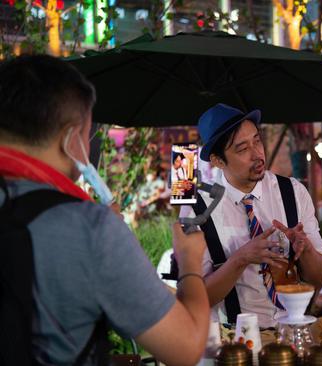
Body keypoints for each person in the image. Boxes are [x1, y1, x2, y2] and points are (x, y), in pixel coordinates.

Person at [0, 55, 210, 365]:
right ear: (72, 139)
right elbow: (187, 347)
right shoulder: (89, 229)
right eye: (88, 133)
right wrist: (189, 260)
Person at [181, 103, 322, 330]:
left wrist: (305, 249)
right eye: (242, 149)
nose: (258, 154)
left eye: (257, 141)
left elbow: (319, 278)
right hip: (233, 342)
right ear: (218, 161)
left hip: (292, 333)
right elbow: (195, 298)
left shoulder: (293, 192)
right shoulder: (197, 210)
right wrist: (240, 259)